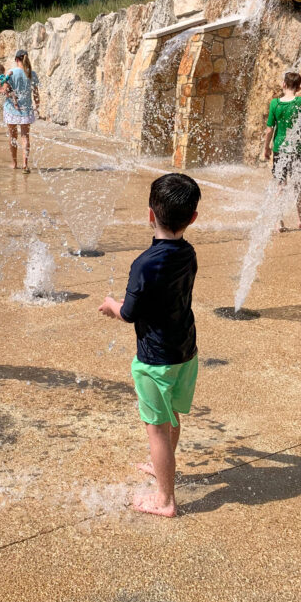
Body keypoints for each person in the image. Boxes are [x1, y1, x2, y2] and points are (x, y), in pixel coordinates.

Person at [98, 173, 201, 518]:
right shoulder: (188, 253)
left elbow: (128, 313)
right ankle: (163, 466)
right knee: (171, 417)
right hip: (186, 351)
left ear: (150, 215)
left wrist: (111, 305)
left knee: (156, 428)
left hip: (155, 360)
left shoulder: (144, 264)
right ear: (193, 219)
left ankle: (165, 500)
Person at [262, 70, 301, 231]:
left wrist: (266, 148)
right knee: (298, 185)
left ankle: (279, 221)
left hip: (279, 149)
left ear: (284, 84)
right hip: (296, 149)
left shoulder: (275, 103)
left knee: (280, 185)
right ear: (298, 87)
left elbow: (269, 129)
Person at [4, 49, 40, 172]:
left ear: (16, 59)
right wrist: (37, 106)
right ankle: (25, 164)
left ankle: (14, 163)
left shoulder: (11, 72)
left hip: (12, 109)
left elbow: (6, 91)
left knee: (13, 136)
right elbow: (36, 94)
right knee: (25, 137)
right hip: (26, 109)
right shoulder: (32, 74)